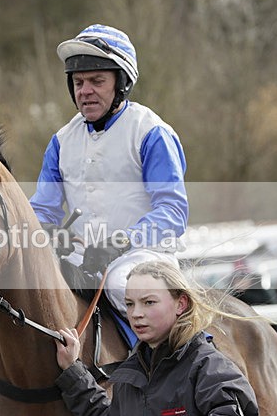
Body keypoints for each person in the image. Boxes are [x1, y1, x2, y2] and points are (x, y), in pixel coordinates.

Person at [54, 261, 261, 416]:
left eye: (149, 302)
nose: (136, 314)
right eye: (130, 304)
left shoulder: (210, 365)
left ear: (180, 304)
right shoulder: (130, 374)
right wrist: (73, 370)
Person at [30, 24, 188, 319]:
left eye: (96, 81)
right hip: (82, 257)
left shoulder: (151, 132)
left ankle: (183, 360)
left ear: (121, 83)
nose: (85, 91)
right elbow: (41, 210)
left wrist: (121, 242)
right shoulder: (61, 141)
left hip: (144, 257)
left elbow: (173, 211)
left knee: (121, 287)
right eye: (78, 83)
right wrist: (49, 233)